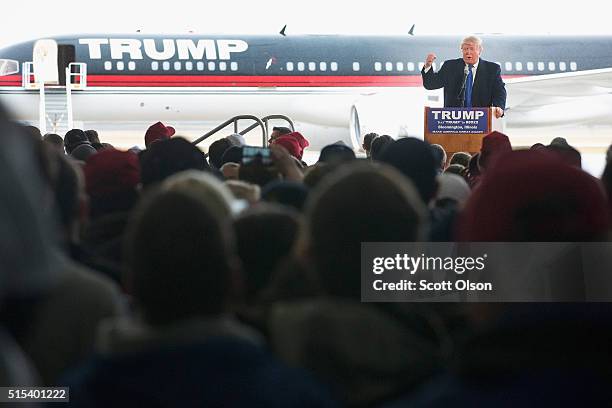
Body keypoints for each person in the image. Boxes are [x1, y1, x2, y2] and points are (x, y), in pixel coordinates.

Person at [422, 36, 506, 118]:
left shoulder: (492, 69)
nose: (468, 52)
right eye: (465, 49)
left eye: (471, 49)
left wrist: (499, 107)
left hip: (481, 119)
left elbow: (499, 92)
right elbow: (430, 84)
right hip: (453, 120)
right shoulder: (450, 66)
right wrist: (428, 66)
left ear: (480, 50)